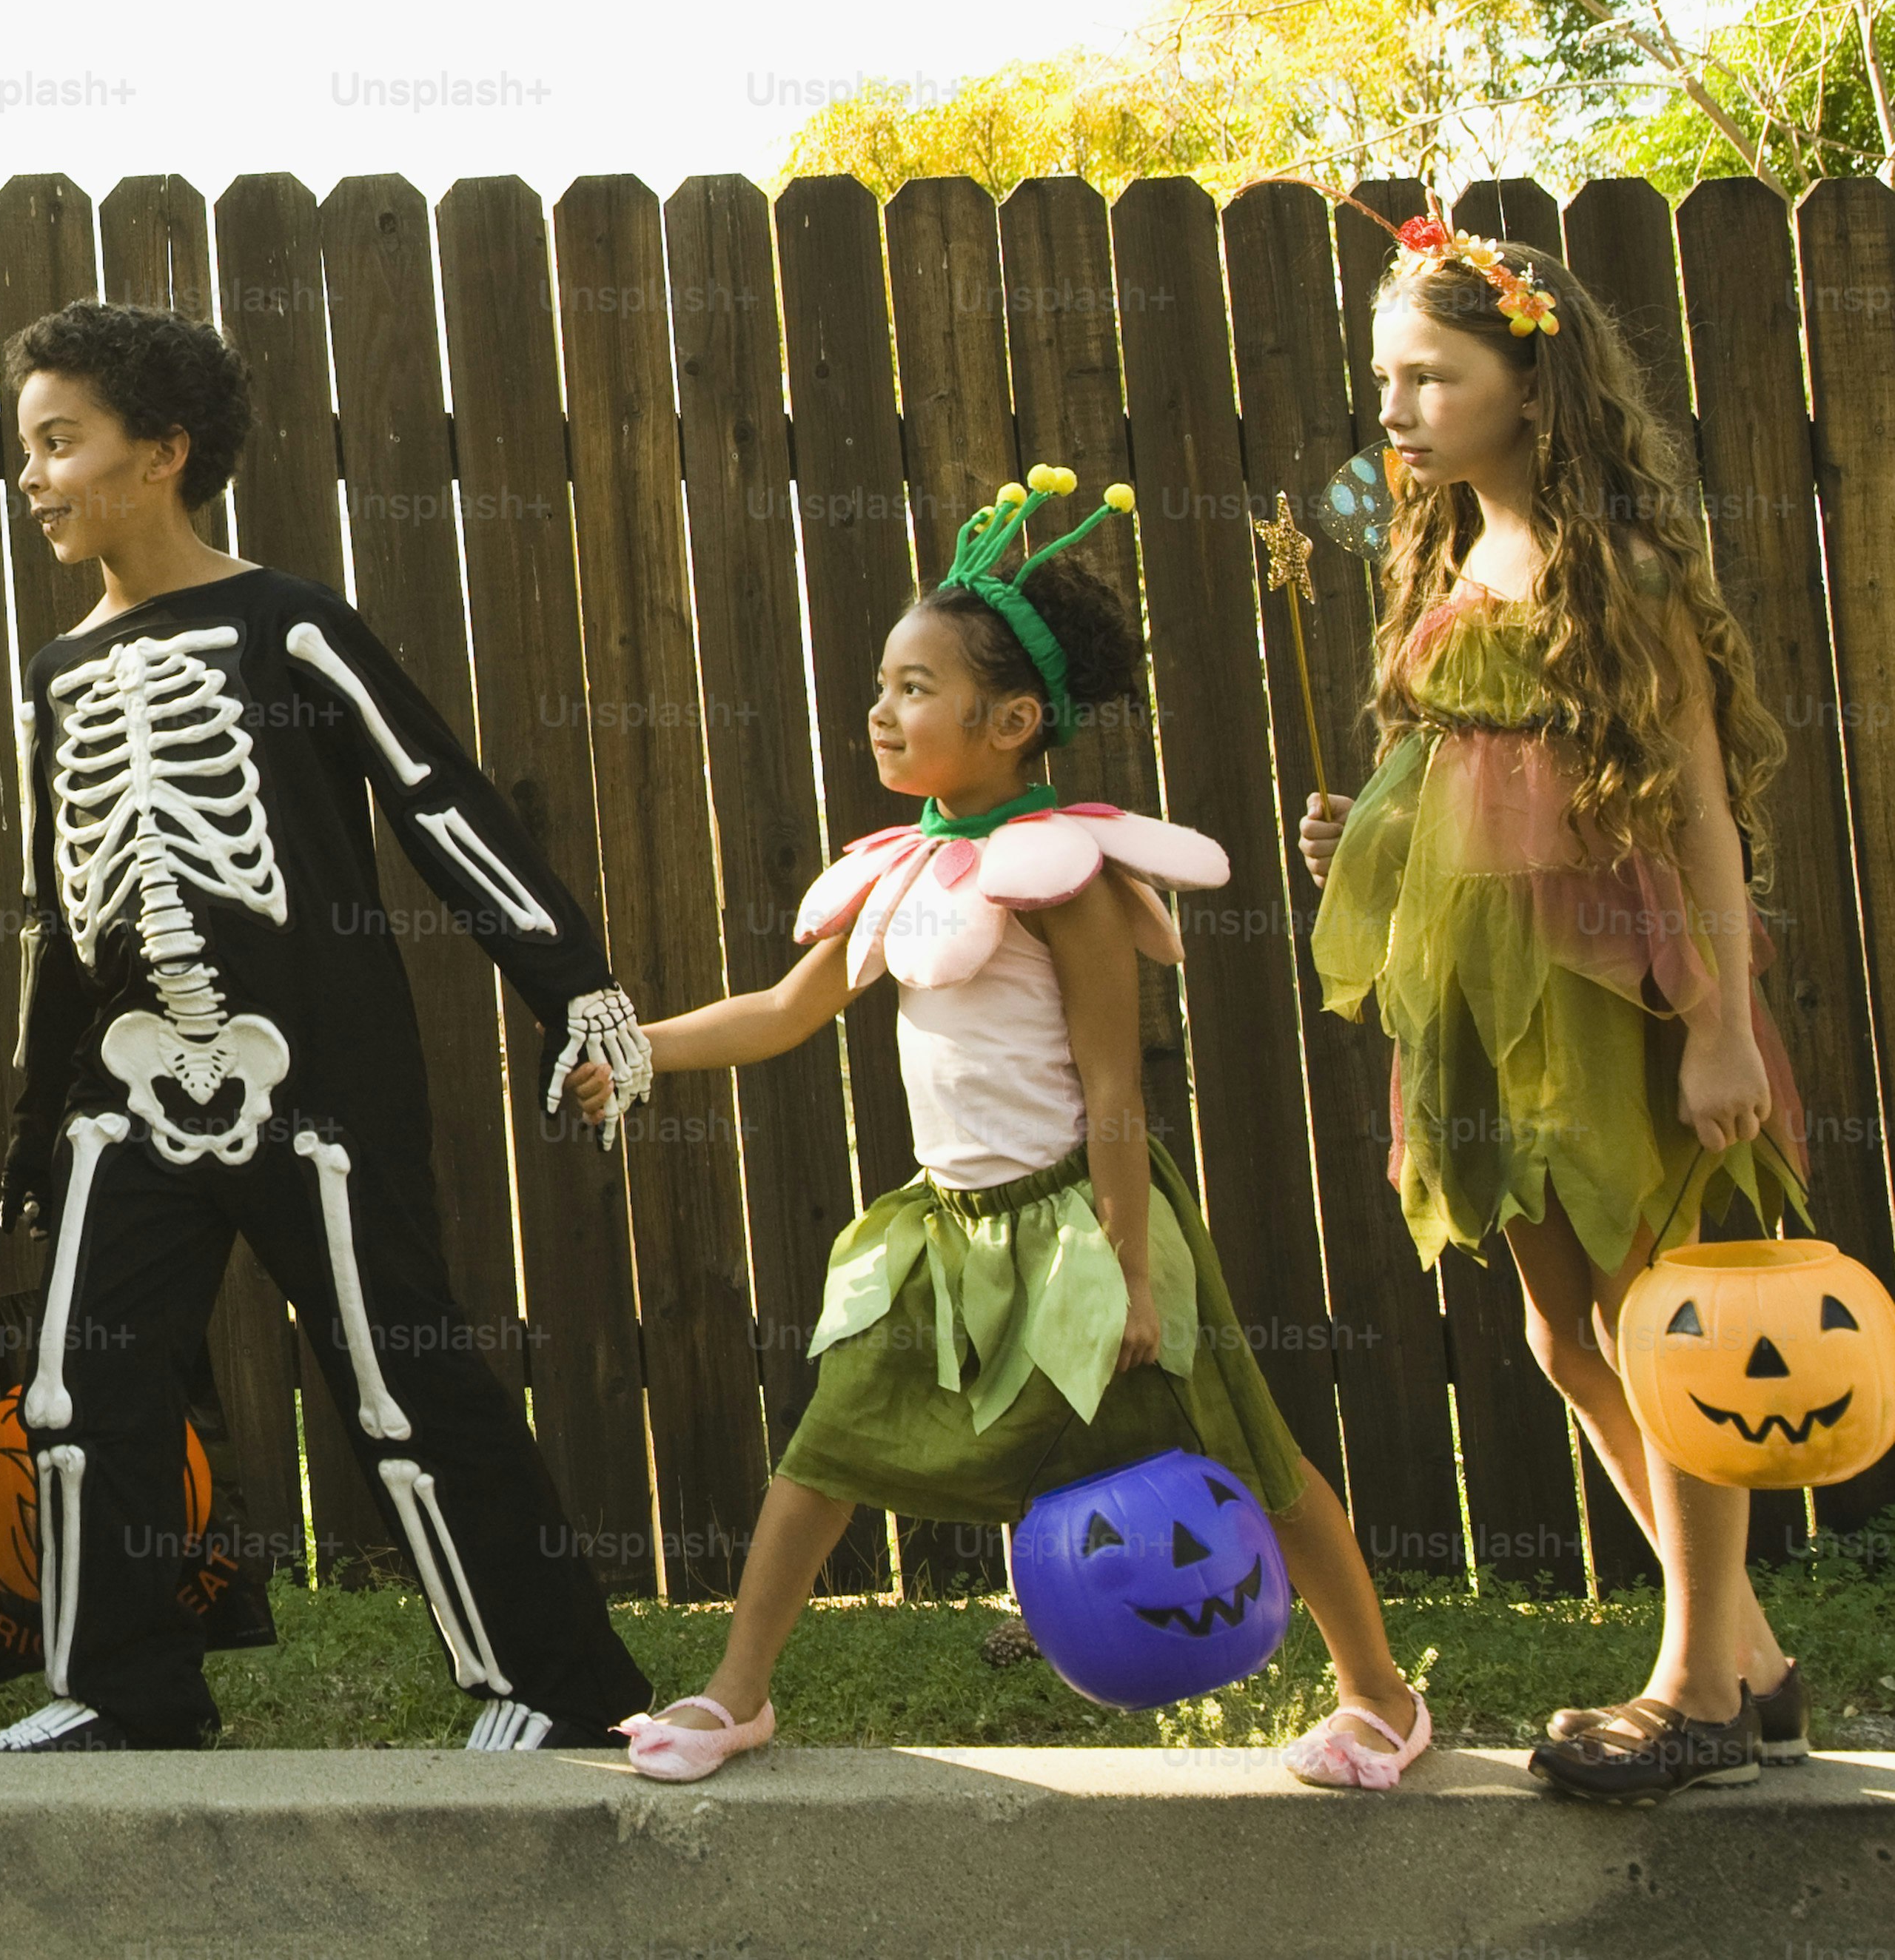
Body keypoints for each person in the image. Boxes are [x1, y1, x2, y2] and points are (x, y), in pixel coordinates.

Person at [586, 471, 1428, 1791]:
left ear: (1013, 720)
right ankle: (734, 1694)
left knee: (1243, 1449)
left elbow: (1114, 1088)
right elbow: (783, 1010)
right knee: (826, 1446)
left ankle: (1379, 1694)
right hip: (946, 1232)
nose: (881, 708)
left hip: (1085, 1227)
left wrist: (1131, 1266)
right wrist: (639, 1049)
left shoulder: (1065, 882)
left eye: (915, 686)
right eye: (881, 683)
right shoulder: (905, 869)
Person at [0, 301, 657, 1754]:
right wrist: (37, 1126)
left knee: (401, 1372)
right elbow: (57, 916)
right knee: (80, 1383)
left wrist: (577, 989)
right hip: (128, 1082)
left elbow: (439, 799)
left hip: (317, 1082)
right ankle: (125, 1692)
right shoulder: (51, 676)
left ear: (162, 451)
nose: (31, 476)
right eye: (24, 447)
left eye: (60, 442)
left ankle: (559, 1684)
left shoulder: (285, 622)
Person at [1295, 224, 1810, 1802]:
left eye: (1431, 377)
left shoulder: (1617, 571)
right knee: (1561, 1331)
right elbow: (1475, 777)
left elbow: (1697, 812)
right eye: (1386, 378)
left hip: (1613, 992)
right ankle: (1753, 1660)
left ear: (1531, 382)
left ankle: (1694, 1685)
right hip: (1482, 997)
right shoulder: (1449, 551)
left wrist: (1717, 1024)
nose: (1396, 409)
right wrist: (1366, 830)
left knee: (1667, 1326)